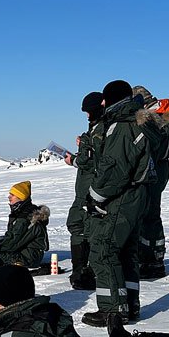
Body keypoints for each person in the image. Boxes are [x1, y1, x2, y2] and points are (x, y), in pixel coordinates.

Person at [80, 80, 156, 327]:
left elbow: (114, 168)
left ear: (110, 99)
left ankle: (113, 309)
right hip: (137, 194)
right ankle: (129, 305)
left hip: (124, 195)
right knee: (125, 251)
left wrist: (95, 196)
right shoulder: (133, 121)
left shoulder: (120, 126)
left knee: (104, 247)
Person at [130, 86, 169, 280]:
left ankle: (150, 261)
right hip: (163, 168)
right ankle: (156, 257)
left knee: (147, 215)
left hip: (152, 168)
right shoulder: (166, 115)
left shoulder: (150, 117)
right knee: (153, 213)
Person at [64, 92, 105, 291]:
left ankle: (83, 272)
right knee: (82, 225)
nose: (87, 116)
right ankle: (83, 271)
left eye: (88, 112)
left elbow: (89, 162)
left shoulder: (100, 129)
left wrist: (75, 159)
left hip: (89, 190)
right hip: (90, 189)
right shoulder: (103, 128)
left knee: (79, 225)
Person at [0, 182, 50, 272]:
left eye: (13, 195)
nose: (9, 197)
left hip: (28, 258)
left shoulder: (26, 217)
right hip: (24, 253)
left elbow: (11, 243)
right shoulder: (23, 212)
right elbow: (12, 237)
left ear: (21, 197)